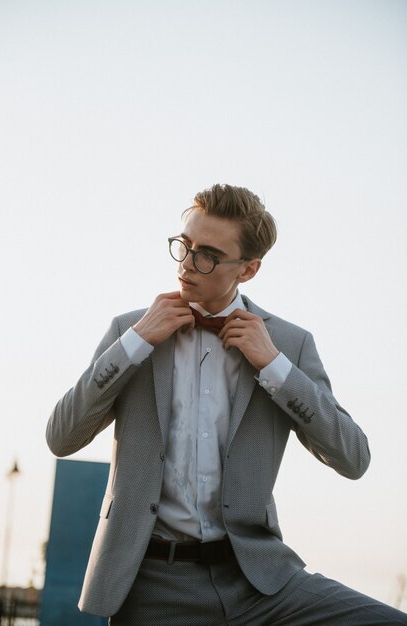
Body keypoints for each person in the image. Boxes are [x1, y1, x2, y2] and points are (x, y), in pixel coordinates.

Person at [46, 184, 407, 625]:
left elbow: (353, 458)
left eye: (208, 255)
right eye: (184, 246)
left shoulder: (289, 344)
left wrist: (274, 365)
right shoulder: (131, 330)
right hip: (155, 586)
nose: (187, 265)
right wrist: (136, 343)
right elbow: (61, 437)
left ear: (249, 269)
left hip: (262, 580)